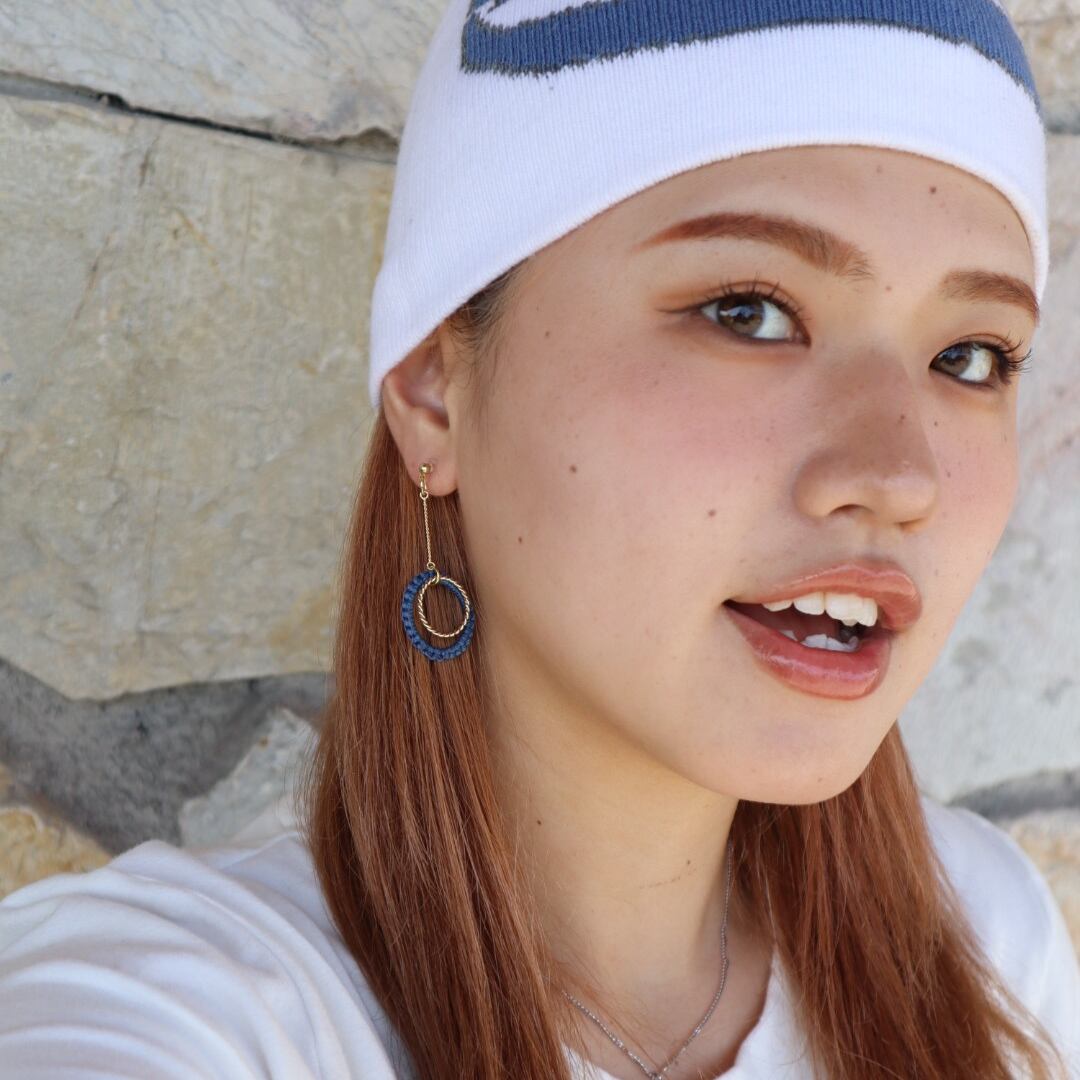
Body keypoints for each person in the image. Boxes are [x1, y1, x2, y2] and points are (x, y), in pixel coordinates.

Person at [1, 1, 1077, 1078]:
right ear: (436, 388)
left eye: (972, 356)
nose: (899, 477)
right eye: (748, 311)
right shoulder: (182, 1014)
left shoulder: (982, 939)